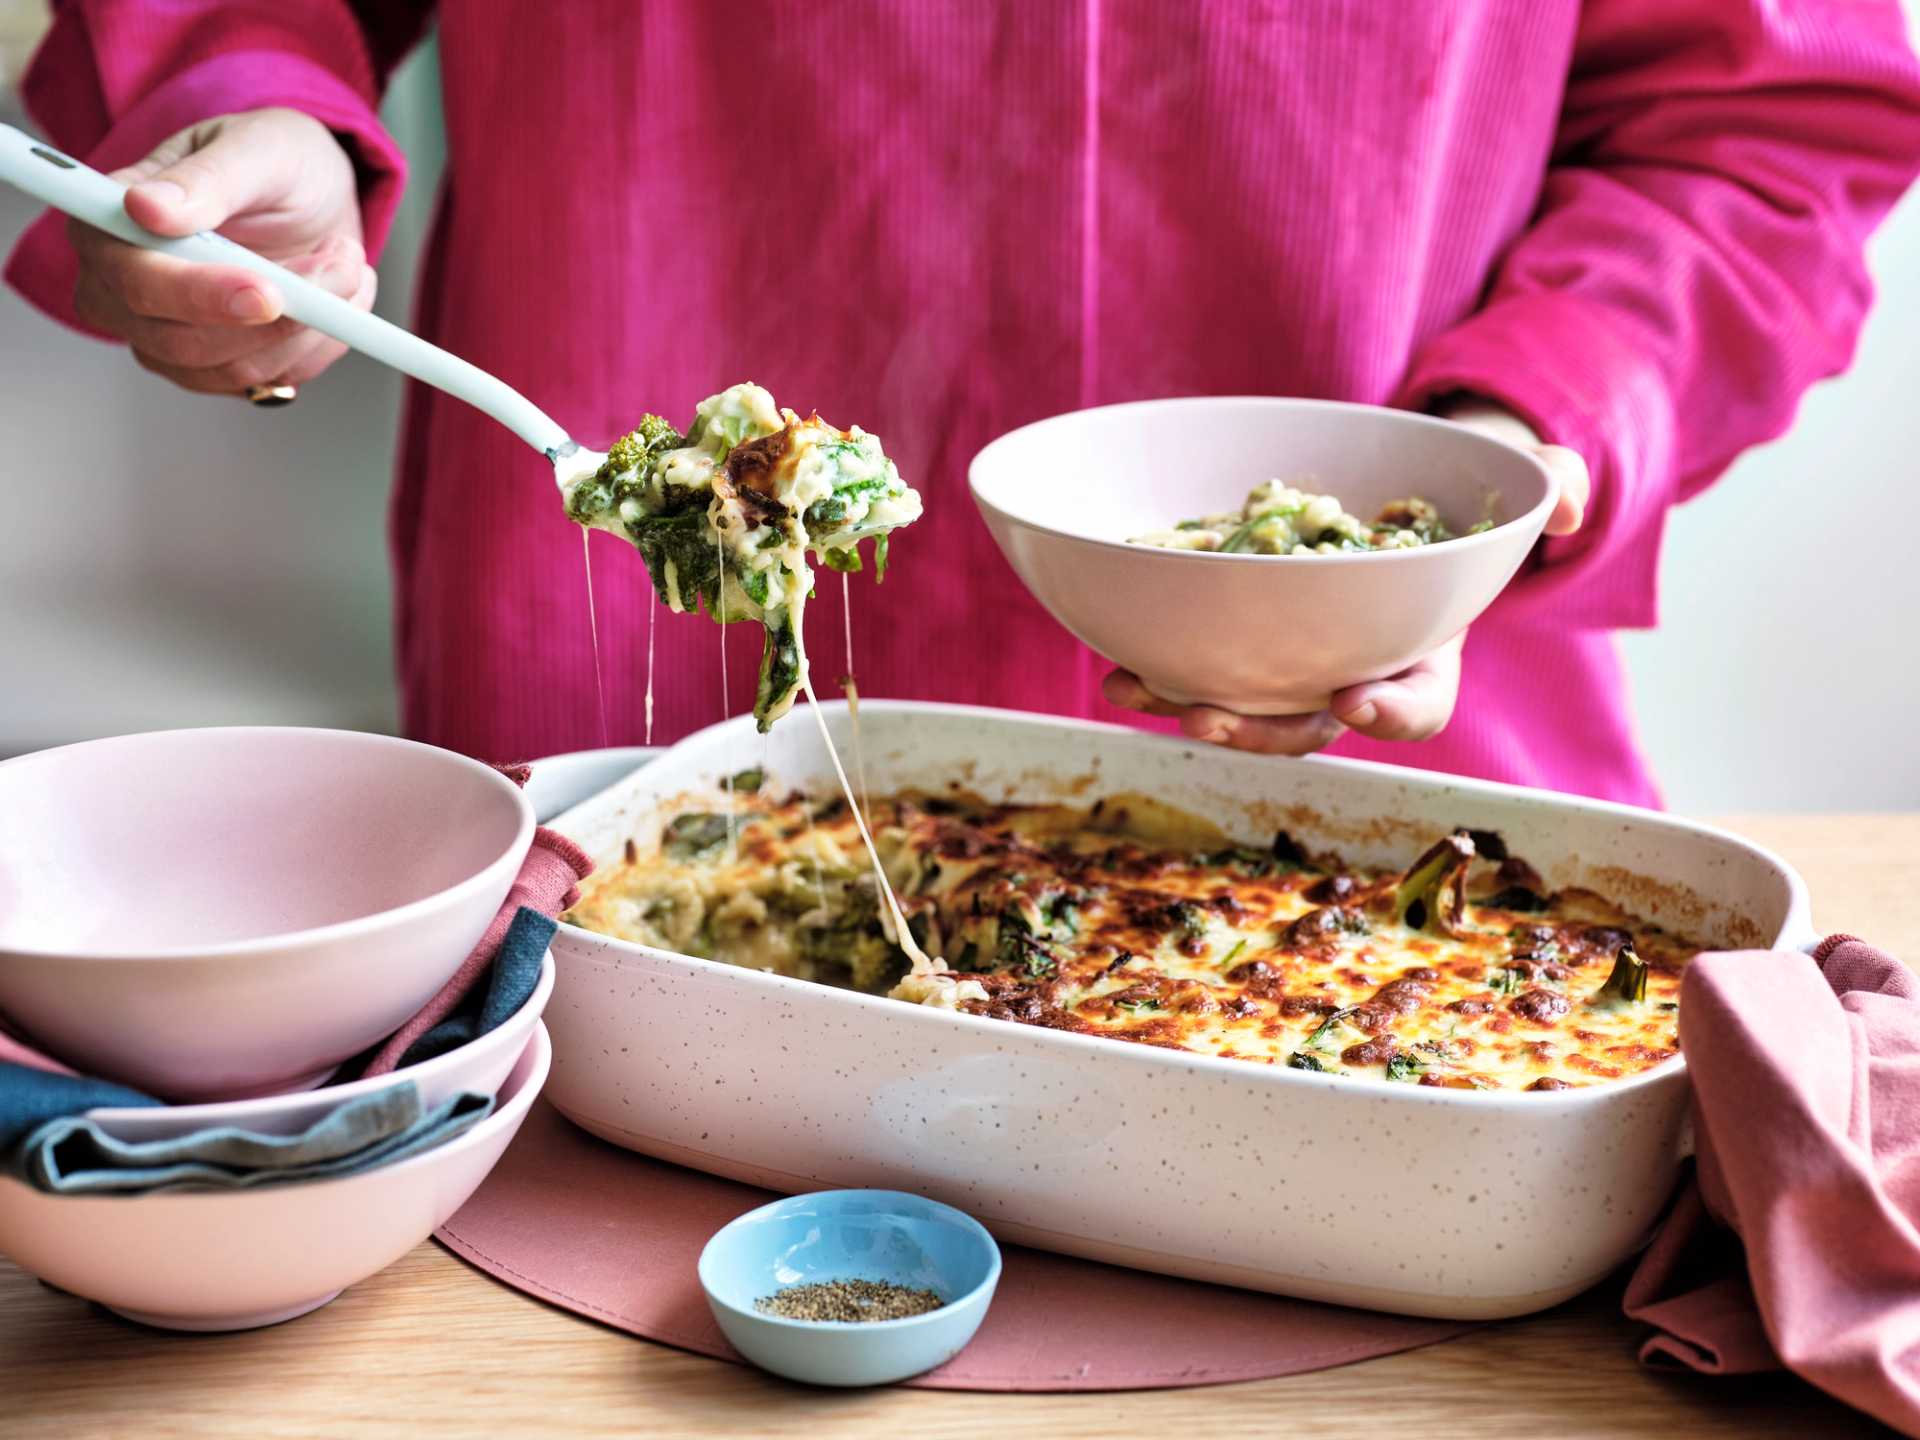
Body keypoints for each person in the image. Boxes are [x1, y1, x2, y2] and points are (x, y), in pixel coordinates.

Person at [9, 3, 1919, 806]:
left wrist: (1500, 457)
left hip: (1375, 763)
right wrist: (242, 100)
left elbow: (1763, 126)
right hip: (636, 758)